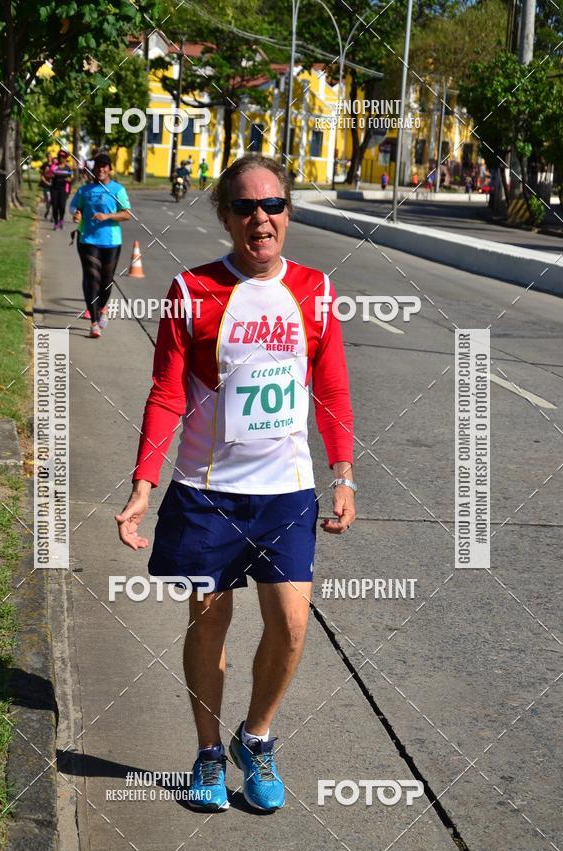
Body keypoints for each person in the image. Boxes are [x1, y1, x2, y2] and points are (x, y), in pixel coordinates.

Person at [115, 155, 356, 813]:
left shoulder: (315, 290)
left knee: (292, 623)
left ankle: (256, 737)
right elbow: (166, 392)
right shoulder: (192, 290)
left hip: (287, 493)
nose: (261, 218)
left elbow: (332, 390)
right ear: (225, 217)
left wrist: (343, 474)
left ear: (288, 214)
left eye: (273, 204)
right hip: (207, 493)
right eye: (246, 206)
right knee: (209, 622)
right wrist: (143, 484)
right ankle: (207, 752)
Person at [69, 152, 131, 338]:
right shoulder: (85, 190)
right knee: (92, 278)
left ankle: (102, 308)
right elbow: (74, 207)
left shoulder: (118, 190)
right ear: (94, 169)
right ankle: (94, 323)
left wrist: (108, 216)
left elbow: (126, 214)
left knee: (106, 281)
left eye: (104, 166)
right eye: (98, 166)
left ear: (110, 169)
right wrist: (77, 214)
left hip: (111, 241)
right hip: (87, 239)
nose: (101, 169)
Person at [50, 150, 74, 230]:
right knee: (55, 206)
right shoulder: (54, 166)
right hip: (54, 188)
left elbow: (72, 178)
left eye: (63, 157)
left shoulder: (68, 168)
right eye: (59, 157)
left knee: (62, 206)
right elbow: (49, 175)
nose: (61, 158)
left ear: (65, 158)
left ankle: (61, 219)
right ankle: (56, 223)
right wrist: (51, 176)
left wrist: (69, 180)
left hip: (64, 189)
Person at [39, 153, 53, 219]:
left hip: (53, 185)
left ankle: (53, 214)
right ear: (46, 157)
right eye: (48, 157)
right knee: (47, 199)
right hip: (46, 185)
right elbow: (41, 175)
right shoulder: (44, 165)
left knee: (52, 200)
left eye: (50, 157)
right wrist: (46, 182)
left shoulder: (55, 164)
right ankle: (48, 210)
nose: (49, 158)